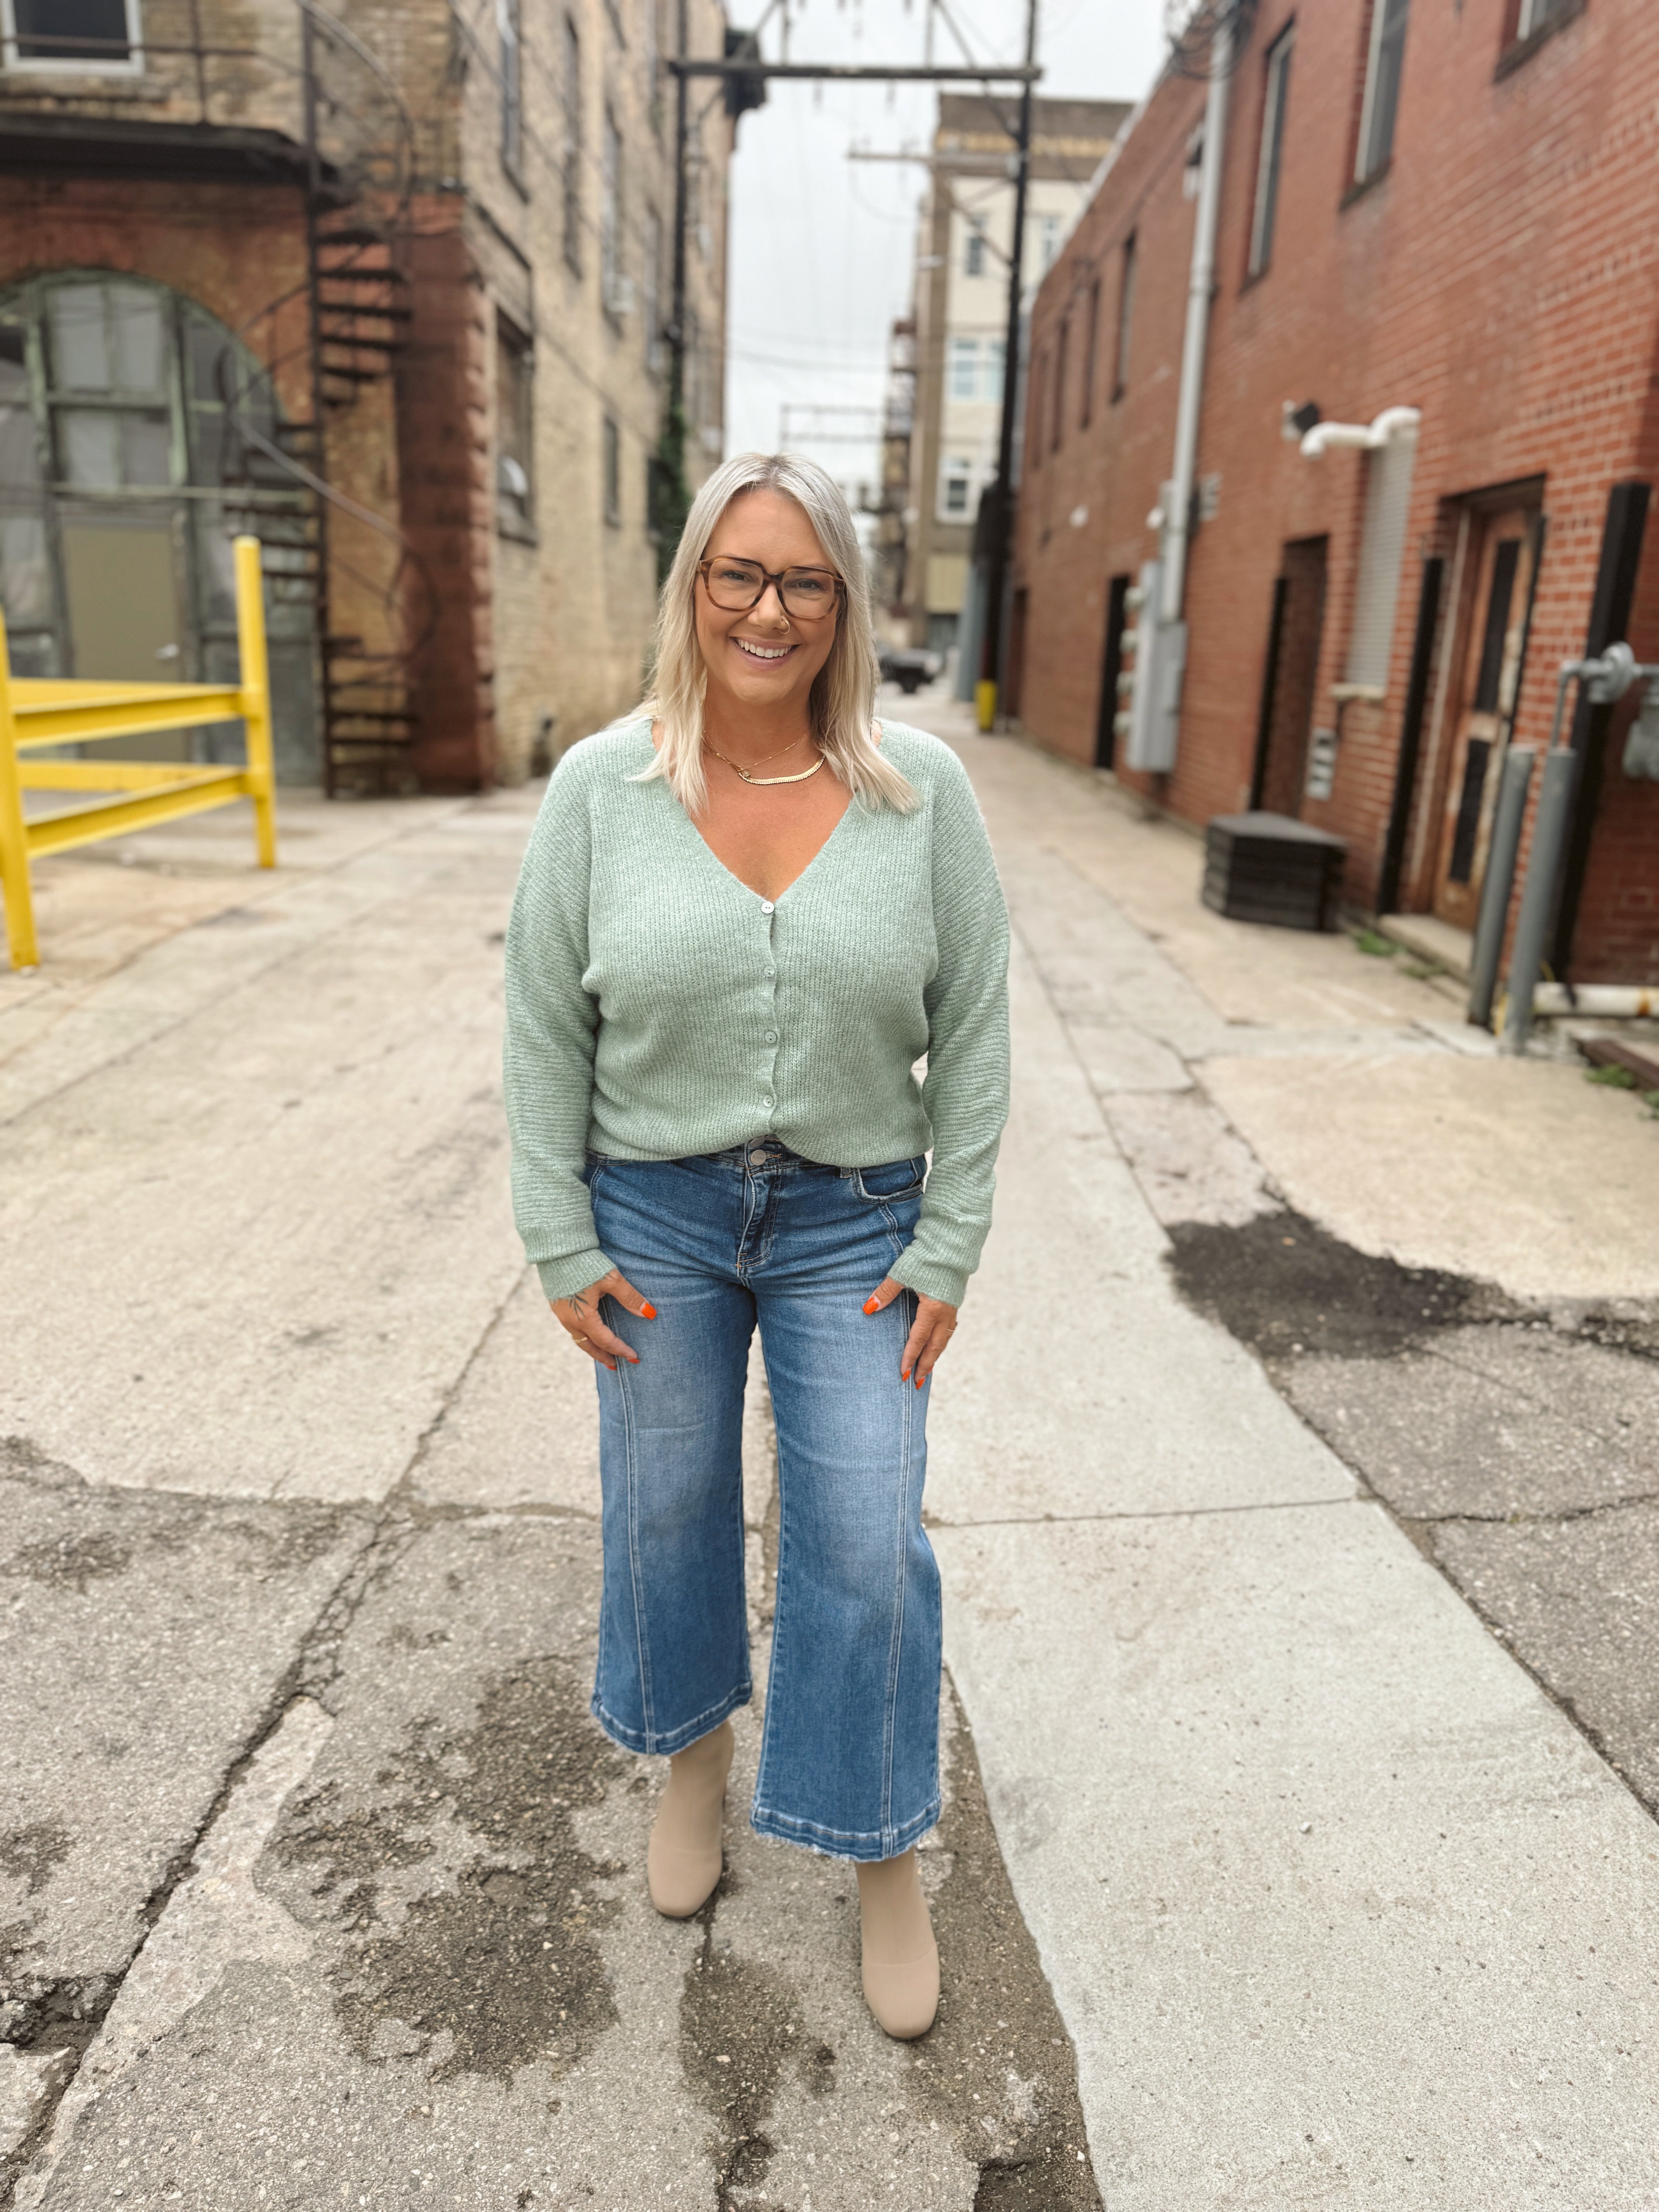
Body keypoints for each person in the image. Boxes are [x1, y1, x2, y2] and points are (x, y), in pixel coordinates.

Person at [503, 451, 1009, 2040]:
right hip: (651, 1205)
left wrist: (952, 1239)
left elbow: (981, 1026)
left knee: (865, 1534)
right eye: (739, 576)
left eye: (802, 581)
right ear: (694, 592)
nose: (768, 610)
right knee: (665, 1506)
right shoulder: (603, 788)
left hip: (852, 1221)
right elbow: (537, 1024)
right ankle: (694, 1763)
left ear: (844, 605)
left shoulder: (920, 793)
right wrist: (554, 1229)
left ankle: (878, 1853)